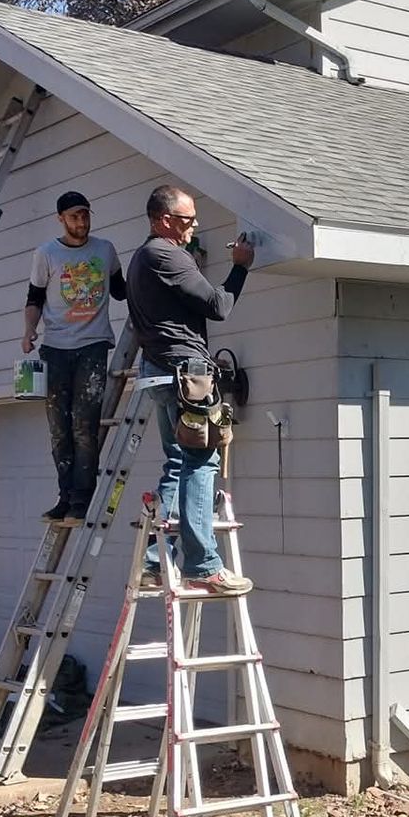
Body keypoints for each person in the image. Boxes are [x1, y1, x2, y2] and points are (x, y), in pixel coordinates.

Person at [126, 183, 254, 595]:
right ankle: (202, 565)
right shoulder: (164, 254)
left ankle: (152, 564)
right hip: (187, 375)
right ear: (164, 220)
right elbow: (219, 306)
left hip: (162, 372)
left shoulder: (143, 258)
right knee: (202, 461)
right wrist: (241, 265)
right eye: (187, 219)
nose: (194, 225)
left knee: (179, 463)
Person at [22, 190, 125, 520]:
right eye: (74, 217)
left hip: (93, 344)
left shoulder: (105, 250)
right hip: (56, 348)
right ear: (61, 219)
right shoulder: (47, 254)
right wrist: (28, 331)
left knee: (84, 423)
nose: (81, 222)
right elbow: (34, 298)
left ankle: (83, 497)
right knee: (59, 427)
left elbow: (123, 291)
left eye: (85, 215)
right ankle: (65, 495)